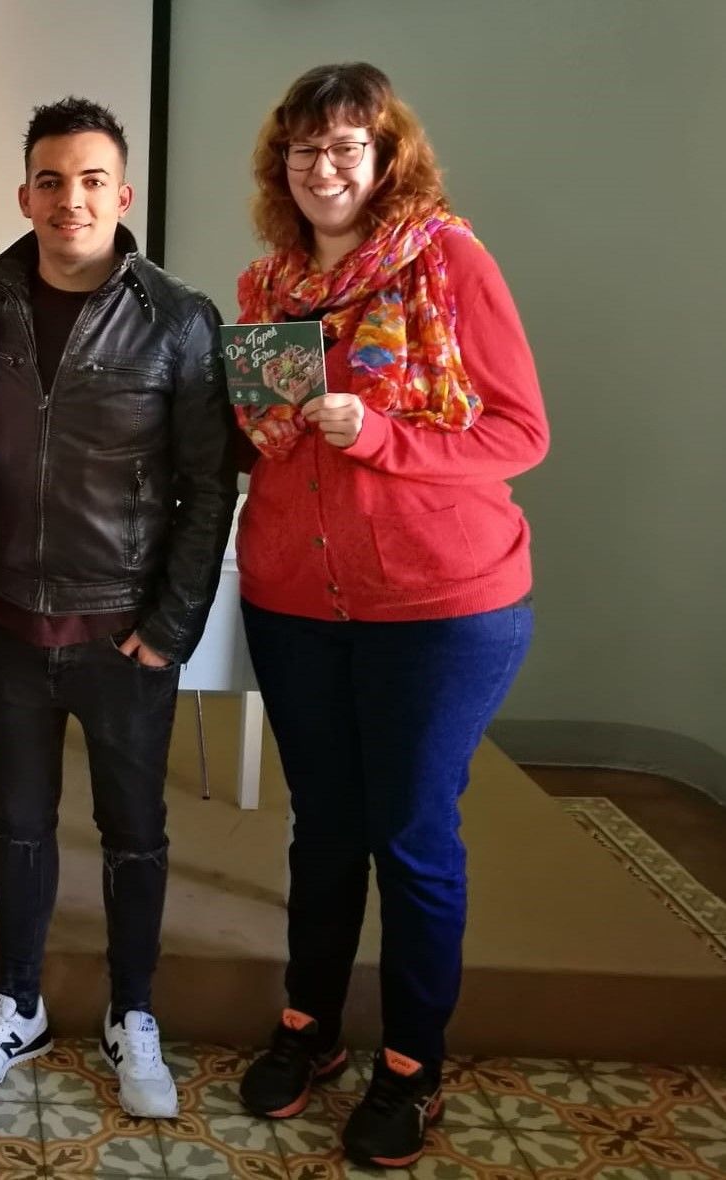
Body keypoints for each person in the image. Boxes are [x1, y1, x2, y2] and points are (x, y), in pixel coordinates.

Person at [227, 63, 547, 1169]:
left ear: (385, 157)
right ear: (284, 168)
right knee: (323, 829)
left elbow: (520, 433)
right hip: (293, 602)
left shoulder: (447, 262)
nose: (325, 168)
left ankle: (412, 1062)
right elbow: (256, 439)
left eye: (346, 147)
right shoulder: (263, 289)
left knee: (411, 835)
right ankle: (310, 1025)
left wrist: (382, 436)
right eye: (305, 151)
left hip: (438, 606)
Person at [0, 97, 238, 1116]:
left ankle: (132, 1011)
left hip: (124, 632)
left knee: (134, 831)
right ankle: (16, 1000)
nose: (72, 200)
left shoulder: (179, 318)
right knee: (17, 823)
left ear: (124, 192)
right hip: (12, 622)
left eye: (93, 180)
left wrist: (170, 628)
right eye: (52, 181)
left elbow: (211, 487)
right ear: (26, 192)